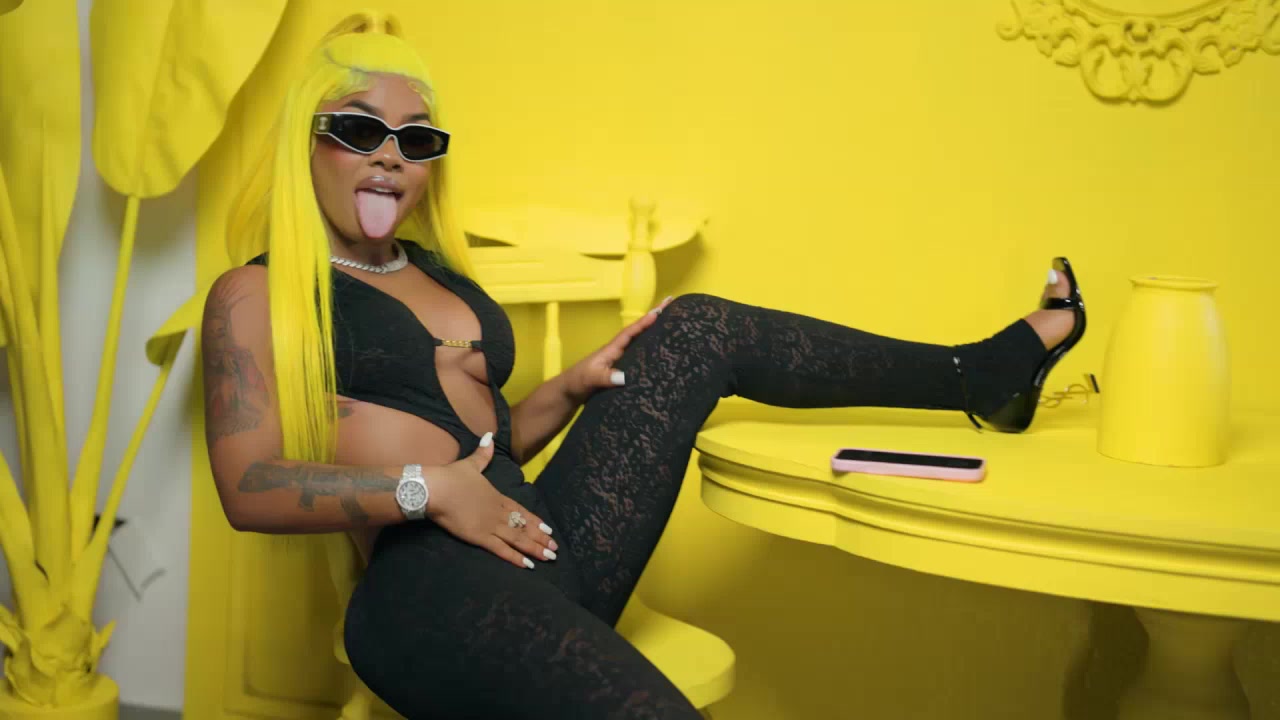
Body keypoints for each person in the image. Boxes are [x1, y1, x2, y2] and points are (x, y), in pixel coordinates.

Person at [201, 13, 1086, 720]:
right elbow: (248, 488)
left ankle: (983, 374)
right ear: (307, 141)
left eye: (418, 139)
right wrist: (428, 492)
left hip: (542, 543)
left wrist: (566, 390)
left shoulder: (439, 276)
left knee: (691, 327)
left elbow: (485, 447)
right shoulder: (256, 294)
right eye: (359, 130)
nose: (391, 155)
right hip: (427, 588)